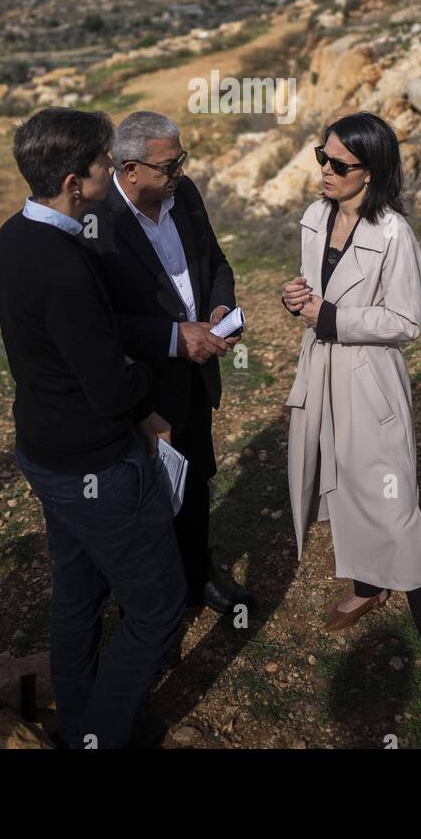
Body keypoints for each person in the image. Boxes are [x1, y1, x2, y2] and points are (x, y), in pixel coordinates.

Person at [280, 111, 421, 749]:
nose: (325, 172)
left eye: (339, 165)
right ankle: (367, 584)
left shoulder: (396, 234)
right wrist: (301, 301)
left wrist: (331, 315)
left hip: (369, 387)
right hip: (322, 377)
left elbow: (404, 321)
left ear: (372, 171)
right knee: (336, 485)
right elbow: (318, 294)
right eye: (322, 156)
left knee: (404, 528)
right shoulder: (315, 218)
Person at [0, 106, 187, 749]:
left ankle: (79, 720)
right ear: (76, 181)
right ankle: (100, 736)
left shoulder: (13, 236)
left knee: (77, 591)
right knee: (157, 609)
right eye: (104, 161)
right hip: (93, 463)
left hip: (43, 452)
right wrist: (144, 395)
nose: (112, 167)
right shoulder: (65, 264)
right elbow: (107, 385)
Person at [80, 110, 256, 617]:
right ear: (130, 169)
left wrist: (220, 308)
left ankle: (199, 575)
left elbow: (216, 263)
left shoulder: (186, 195)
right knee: (140, 496)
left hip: (196, 373)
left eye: (181, 159)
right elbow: (100, 321)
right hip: (139, 385)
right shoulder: (97, 221)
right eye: (169, 164)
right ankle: (149, 602)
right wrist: (175, 338)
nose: (180, 170)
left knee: (195, 476)